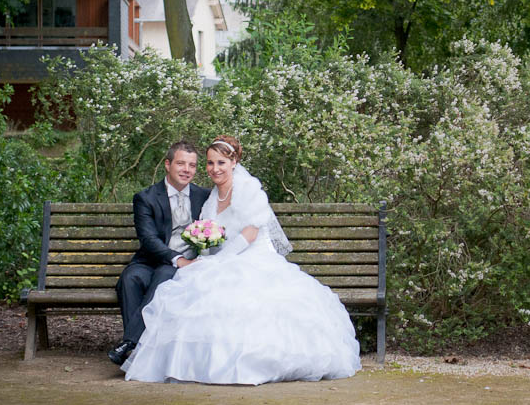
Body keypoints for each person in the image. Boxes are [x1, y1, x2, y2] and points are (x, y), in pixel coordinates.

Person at [121, 135, 362, 384]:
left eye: (221, 163)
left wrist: (219, 260)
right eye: (210, 163)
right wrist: (206, 256)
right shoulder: (211, 197)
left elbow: (250, 233)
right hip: (219, 259)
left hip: (253, 259)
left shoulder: (248, 189)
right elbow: (207, 232)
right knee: (186, 291)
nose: (215, 169)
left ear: (233, 162)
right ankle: (157, 351)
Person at [109, 141, 211, 365]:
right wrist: (177, 259)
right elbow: (148, 239)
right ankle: (137, 347)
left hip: (182, 266)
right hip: (151, 260)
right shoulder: (145, 198)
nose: (187, 170)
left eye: (192, 165)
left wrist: (189, 260)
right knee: (130, 278)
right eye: (181, 163)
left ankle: (129, 343)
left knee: (165, 275)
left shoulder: (204, 196)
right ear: (167, 164)